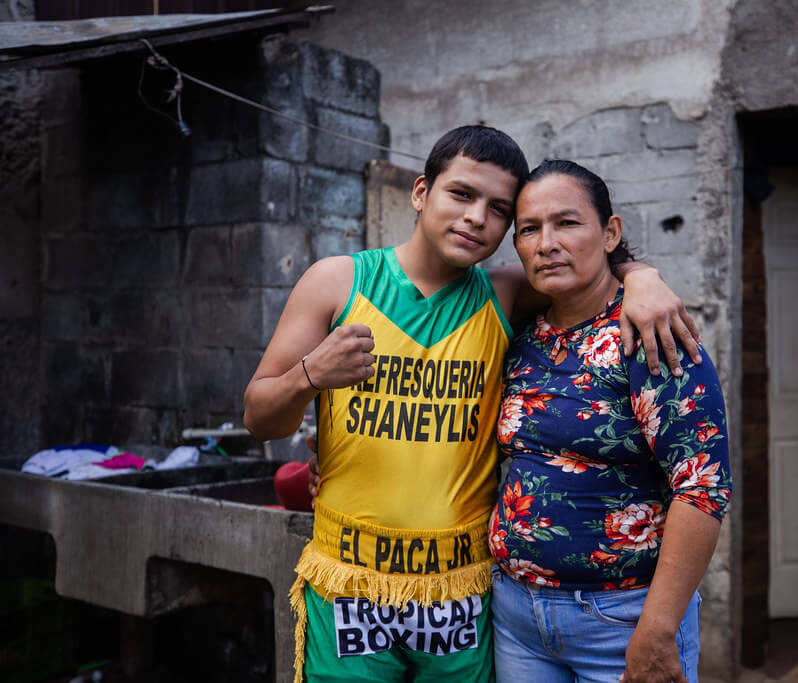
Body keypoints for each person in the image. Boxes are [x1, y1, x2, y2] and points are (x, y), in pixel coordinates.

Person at [243, 126, 701, 683]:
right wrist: (311, 375)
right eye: (461, 194)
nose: (476, 217)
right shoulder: (338, 283)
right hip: (350, 581)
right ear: (421, 193)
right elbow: (259, 417)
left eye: (498, 209)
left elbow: (589, 271)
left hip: (460, 586)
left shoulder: (504, 294)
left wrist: (644, 277)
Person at [488, 160, 732, 683]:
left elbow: (702, 488)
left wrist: (658, 629)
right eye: (529, 229)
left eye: (567, 223)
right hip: (516, 618)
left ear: (610, 232)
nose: (546, 242)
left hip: (621, 621)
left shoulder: (649, 334)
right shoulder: (523, 335)